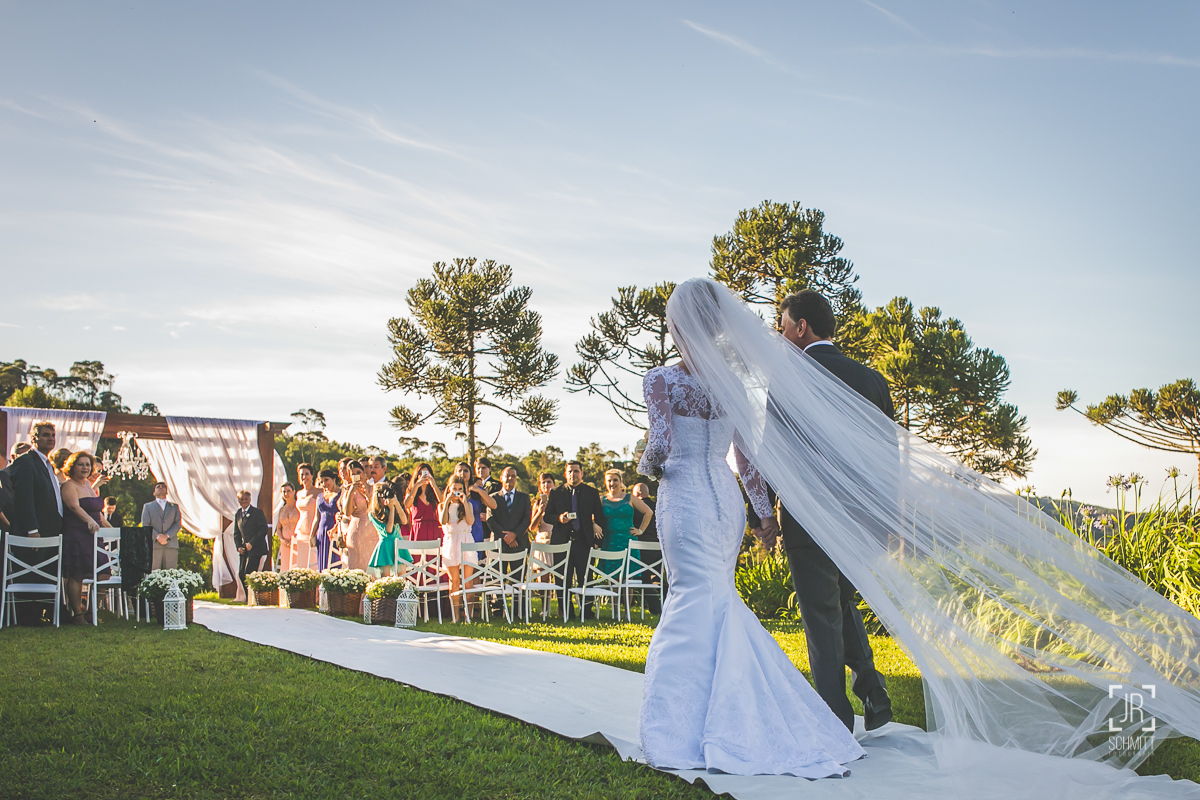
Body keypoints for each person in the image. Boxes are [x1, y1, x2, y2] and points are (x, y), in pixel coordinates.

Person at [636, 284, 865, 776]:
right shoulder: (733, 385)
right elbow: (746, 462)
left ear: (679, 327)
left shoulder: (660, 380)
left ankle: (683, 725)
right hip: (726, 502)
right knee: (718, 596)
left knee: (690, 595)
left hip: (685, 498)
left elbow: (660, 444)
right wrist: (763, 517)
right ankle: (734, 708)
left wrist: (646, 469)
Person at [749, 289, 893, 732]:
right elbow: (889, 458)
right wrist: (885, 521)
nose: (780, 335)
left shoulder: (790, 381)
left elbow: (773, 453)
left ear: (801, 327)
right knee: (840, 601)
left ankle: (835, 723)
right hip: (861, 520)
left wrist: (762, 516)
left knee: (820, 614)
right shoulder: (872, 380)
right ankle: (872, 690)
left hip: (809, 516)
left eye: (783, 326)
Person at [5, 422, 63, 625]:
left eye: (53, 435)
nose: (50, 439)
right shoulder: (25, 462)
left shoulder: (47, 465)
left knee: (45, 573)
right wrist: (32, 529)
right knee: (30, 572)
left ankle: (46, 612)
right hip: (34, 530)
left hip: (51, 529)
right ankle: (28, 616)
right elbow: (24, 498)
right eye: (46, 435)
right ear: (34, 439)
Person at [544, 461, 607, 620]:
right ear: (565, 474)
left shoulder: (591, 493)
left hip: (583, 542)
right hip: (561, 542)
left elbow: (599, 517)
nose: (573, 474)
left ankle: (586, 612)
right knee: (562, 578)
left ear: (582, 473)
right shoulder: (556, 492)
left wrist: (597, 541)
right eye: (570, 471)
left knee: (586, 578)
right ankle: (566, 612)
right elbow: (547, 516)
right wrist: (559, 518)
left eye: (576, 471)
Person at [59, 451, 113, 624]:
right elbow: (74, 507)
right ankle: (77, 614)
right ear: (72, 466)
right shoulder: (69, 485)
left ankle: (91, 611)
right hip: (76, 535)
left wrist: (111, 529)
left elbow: (98, 512)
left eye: (88, 465)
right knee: (77, 574)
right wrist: (89, 520)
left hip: (94, 536)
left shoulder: (89, 486)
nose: (85, 468)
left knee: (104, 573)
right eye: (81, 464)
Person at [599, 470, 652, 577]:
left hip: (628, 541)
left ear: (620, 481)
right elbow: (592, 518)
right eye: (609, 480)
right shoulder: (601, 500)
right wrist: (594, 525)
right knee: (612, 578)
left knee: (629, 578)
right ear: (605, 482)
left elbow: (648, 512)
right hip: (609, 542)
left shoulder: (630, 498)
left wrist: (640, 530)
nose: (612, 483)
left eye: (615, 480)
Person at [439, 475, 476, 619]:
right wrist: (447, 502)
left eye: (460, 489)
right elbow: (443, 521)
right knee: (454, 581)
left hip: (465, 540)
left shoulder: (468, 505)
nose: (457, 491)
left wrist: (465, 503)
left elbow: (470, 521)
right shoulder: (442, 505)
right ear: (449, 489)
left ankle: (468, 614)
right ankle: (455, 616)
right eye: (454, 488)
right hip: (451, 541)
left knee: (468, 581)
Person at [367, 475, 412, 577]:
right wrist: (391, 509)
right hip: (385, 544)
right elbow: (389, 530)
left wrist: (396, 504)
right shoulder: (373, 513)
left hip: (398, 541)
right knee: (386, 577)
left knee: (401, 576)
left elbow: (404, 521)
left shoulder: (392, 507)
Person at [630, 482, 662, 613]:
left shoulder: (636, 509)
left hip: (641, 548)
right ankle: (667, 600)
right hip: (658, 549)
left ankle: (655, 607)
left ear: (637, 494)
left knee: (641, 578)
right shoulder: (658, 506)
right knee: (657, 578)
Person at [341, 460, 376, 571]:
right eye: (353, 474)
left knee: (371, 564)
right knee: (356, 563)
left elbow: (376, 509)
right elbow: (347, 512)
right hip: (356, 530)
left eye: (358, 472)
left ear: (364, 473)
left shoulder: (373, 489)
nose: (357, 476)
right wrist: (351, 492)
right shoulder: (349, 492)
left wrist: (367, 495)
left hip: (372, 530)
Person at [453, 461, 497, 547]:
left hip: (475, 531)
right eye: (460, 470)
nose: (462, 473)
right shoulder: (452, 492)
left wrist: (479, 490)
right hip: (457, 532)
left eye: (466, 470)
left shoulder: (476, 491)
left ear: (470, 473)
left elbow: (493, 505)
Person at [233, 490, 270, 590]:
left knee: (249, 572)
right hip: (245, 549)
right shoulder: (238, 514)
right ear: (239, 501)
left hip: (256, 548)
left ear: (250, 500)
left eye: (246, 499)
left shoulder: (257, 512)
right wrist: (239, 546)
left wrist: (252, 543)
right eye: (242, 499)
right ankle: (248, 595)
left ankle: (253, 595)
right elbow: (236, 533)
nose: (244, 501)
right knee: (241, 574)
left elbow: (263, 529)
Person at [141, 481, 182, 570]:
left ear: (167, 492)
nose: (160, 487)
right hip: (154, 545)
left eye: (163, 486)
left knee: (171, 572)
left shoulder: (174, 507)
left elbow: (177, 524)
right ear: (154, 492)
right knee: (153, 572)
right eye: (158, 486)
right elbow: (145, 524)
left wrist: (167, 536)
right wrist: (157, 536)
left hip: (171, 544)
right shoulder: (147, 506)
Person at [404, 462, 443, 543]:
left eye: (426, 473)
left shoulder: (435, 492)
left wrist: (433, 484)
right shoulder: (411, 492)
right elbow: (407, 505)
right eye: (420, 473)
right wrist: (416, 485)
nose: (424, 476)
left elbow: (442, 501)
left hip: (434, 530)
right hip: (418, 531)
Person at [291, 463, 320, 570]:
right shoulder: (298, 493)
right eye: (301, 474)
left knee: (314, 562)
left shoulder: (319, 492)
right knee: (301, 562)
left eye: (307, 474)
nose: (304, 477)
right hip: (301, 531)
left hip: (313, 531)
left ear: (312, 475)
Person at [314, 468, 341, 570]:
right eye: (321, 482)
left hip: (334, 529)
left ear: (333, 479)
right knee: (323, 559)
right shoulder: (319, 496)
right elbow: (317, 518)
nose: (324, 484)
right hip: (322, 531)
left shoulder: (341, 493)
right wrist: (312, 534)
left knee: (335, 560)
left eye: (326, 480)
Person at [275, 482, 299, 572]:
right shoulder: (282, 509)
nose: (286, 493)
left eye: (288, 491)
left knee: (297, 565)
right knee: (285, 566)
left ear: (293, 492)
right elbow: (278, 528)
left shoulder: (299, 507)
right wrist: (282, 540)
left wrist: (296, 537)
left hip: (297, 541)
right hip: (285, 543)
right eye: (283, 492)